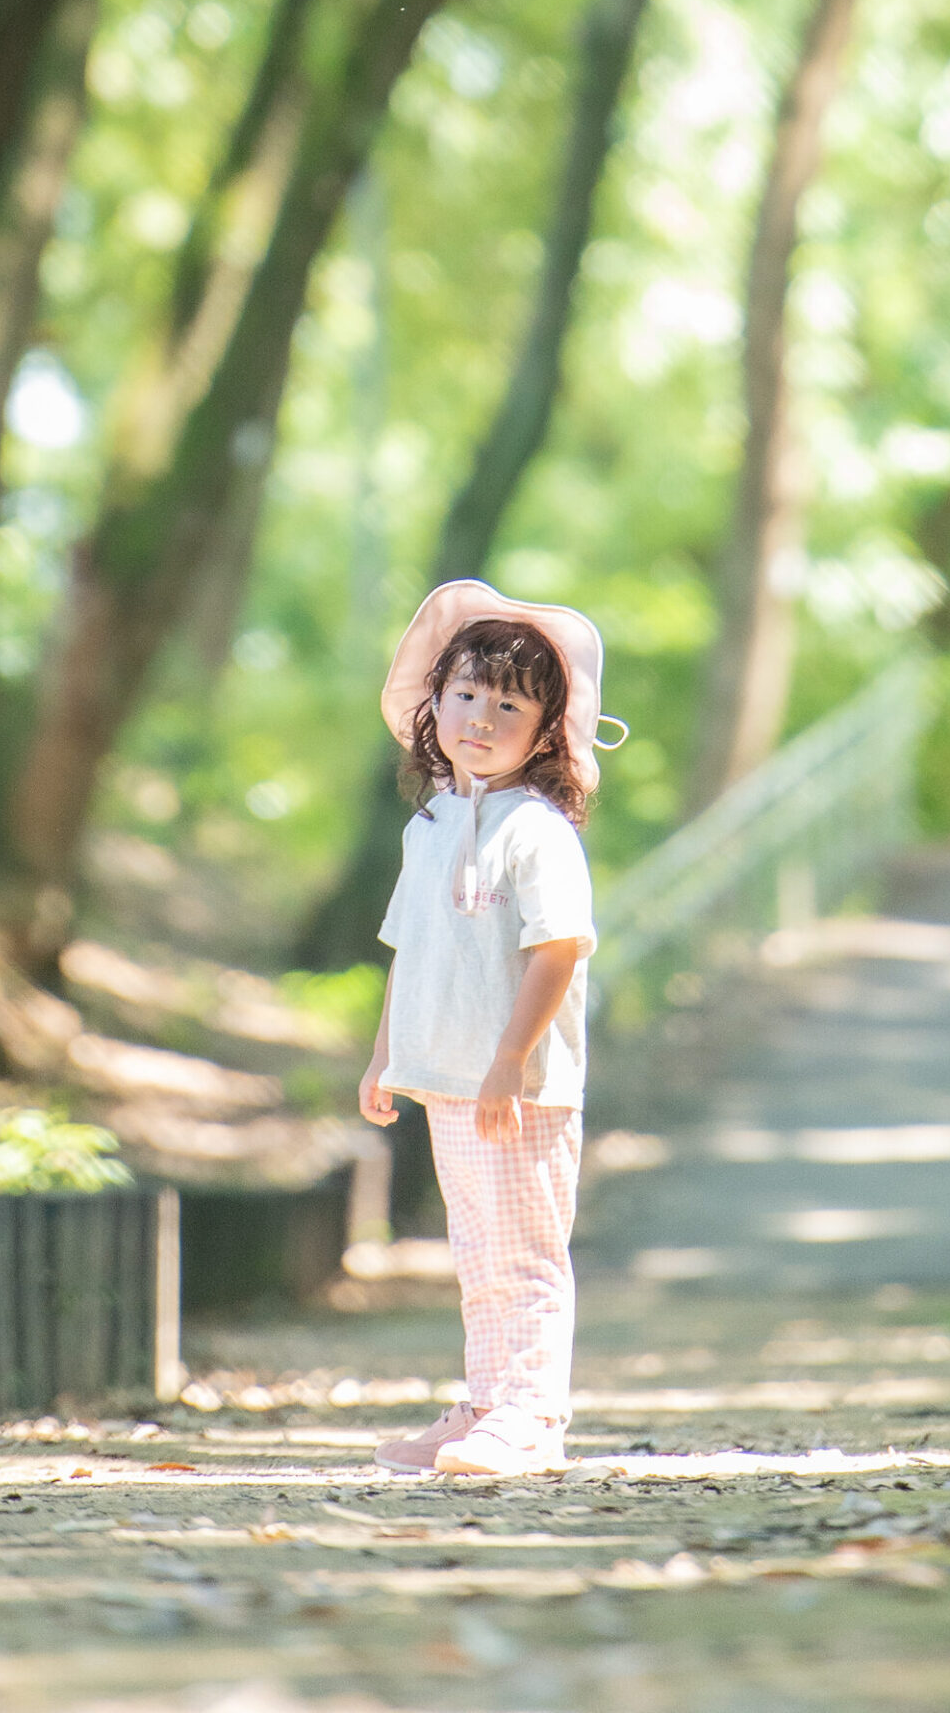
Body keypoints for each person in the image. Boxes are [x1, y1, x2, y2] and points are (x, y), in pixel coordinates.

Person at [357, 579, 615, 1477]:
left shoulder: (538, 830)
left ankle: (532, 1415)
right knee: (477, 1249)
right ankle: (486, 1403)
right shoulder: (429, 824)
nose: (481, 717)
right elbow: (410, 947)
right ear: (434, 703)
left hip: (521, 1086)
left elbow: (559, 948)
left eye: (509, 705)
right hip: (447, 1076)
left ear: (545, 732)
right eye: (465, 693)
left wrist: (512, 1060)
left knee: (525, 1250)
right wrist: (385, 1057)